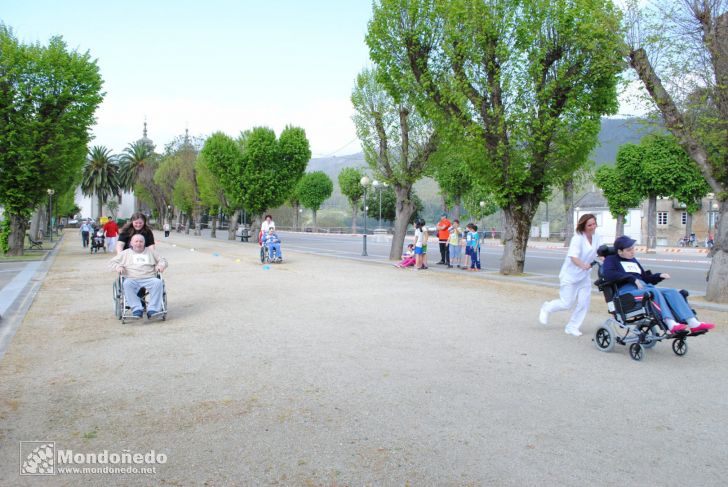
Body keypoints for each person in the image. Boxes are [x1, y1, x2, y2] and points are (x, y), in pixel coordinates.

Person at [602, 235, 715, 334]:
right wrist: (630, 278)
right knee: (653, 292)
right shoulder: (611, 260)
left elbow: (645, 278)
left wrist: (659, 276)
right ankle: (670, 323)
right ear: (620, 251)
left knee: (672, 291)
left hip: (643, 287)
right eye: (629, 250)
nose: (632, 251)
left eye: (633, 248)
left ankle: (693, 322)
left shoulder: (633, 260)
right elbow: (608, 274)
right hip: (626, 293)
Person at [539, 213, 601, 337]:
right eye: (590, 225)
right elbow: (573, 257)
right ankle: (547, 308)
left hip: (584, 277)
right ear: (583, 226)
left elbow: (600, 252)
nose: (593, 227)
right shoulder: (578, 238)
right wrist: (583, 265)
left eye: (594, 224)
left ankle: (572, 327)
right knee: (566, 303)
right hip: (570, 276)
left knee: (584, 303)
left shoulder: (597, 237)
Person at [109, 234, 167, 319]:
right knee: (126, 284)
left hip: (149, 277)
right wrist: (118, 267)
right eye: (136, 241)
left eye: (141, 241)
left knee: (158, 282)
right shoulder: (125, 253)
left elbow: (163, 260)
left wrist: (161, 265)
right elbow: (112, 262)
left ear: (144, 243)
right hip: (132, 278)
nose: (138, 243)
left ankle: (152, 309)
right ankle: (137, 309)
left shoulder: (150, 252)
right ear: (131, 243)